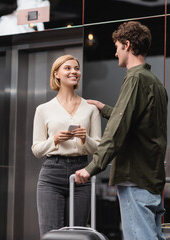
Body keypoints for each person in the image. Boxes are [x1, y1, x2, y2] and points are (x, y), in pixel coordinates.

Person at [75, 21, 168, 240]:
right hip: (150, 177)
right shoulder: (154, 82)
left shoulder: (135, 78)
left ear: (127, 45)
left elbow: (118, 127)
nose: (115, 52)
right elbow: (136, 119)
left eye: (117, 46)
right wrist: (104, 108)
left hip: (135, 178)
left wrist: (92, 167)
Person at [31, 54, 101, 237]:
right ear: (56, 74)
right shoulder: (43, 109)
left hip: (81, 173)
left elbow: (100, 148)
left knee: (77, 235)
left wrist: (86, 139)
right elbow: (36, 149)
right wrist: (53, 140)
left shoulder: (90, 108)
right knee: (50, 234)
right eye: (68, 68)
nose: (74, 72)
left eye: (76, 68)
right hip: (51, 174)